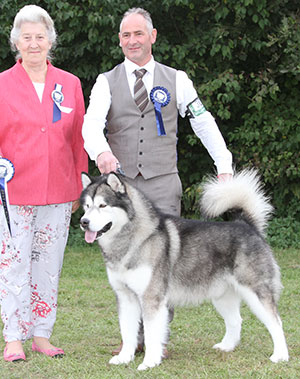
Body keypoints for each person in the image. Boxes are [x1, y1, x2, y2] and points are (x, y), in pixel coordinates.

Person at [82, 7, 233, 353]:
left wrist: (223, 161)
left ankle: (156, 338)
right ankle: (132, 338)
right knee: (123, 261)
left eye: (138, 34)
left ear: (152, 36)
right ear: (119, 40)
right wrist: (101, 153)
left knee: (163, 263)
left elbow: (202, 120)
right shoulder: (106, 81)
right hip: (121, 190)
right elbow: (91, 125)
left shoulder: (176, 79)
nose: (132, 40)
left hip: (164, 183)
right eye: (125, 35)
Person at [0, 5, 88, 362]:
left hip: (58, 191)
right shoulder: (2, 84)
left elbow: (78, 138)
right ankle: (13, 337)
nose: (34, 44)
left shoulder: (70, 84)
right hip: (14, 192)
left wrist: (80, 185)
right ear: (16, 42)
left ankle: (41, 333)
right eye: (27, 37)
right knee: (13, 263)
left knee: (49, 264)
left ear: (51, 40)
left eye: (40, 37)